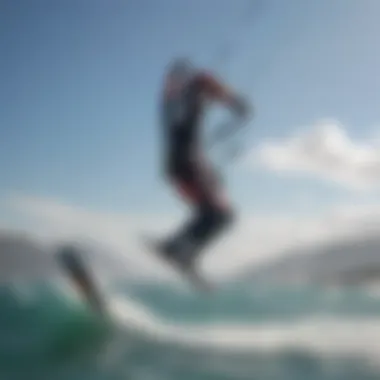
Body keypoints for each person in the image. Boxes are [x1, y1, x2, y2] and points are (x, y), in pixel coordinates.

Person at [156, 57, 251, 274]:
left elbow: (203, 88)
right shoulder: (190, 88)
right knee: (221, 215)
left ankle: (174, 248)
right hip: (187, 164)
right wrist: (236, 102)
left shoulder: (171, 101)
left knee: (211, 212)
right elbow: (205, 81)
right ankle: (178, 252)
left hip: (178, 166)